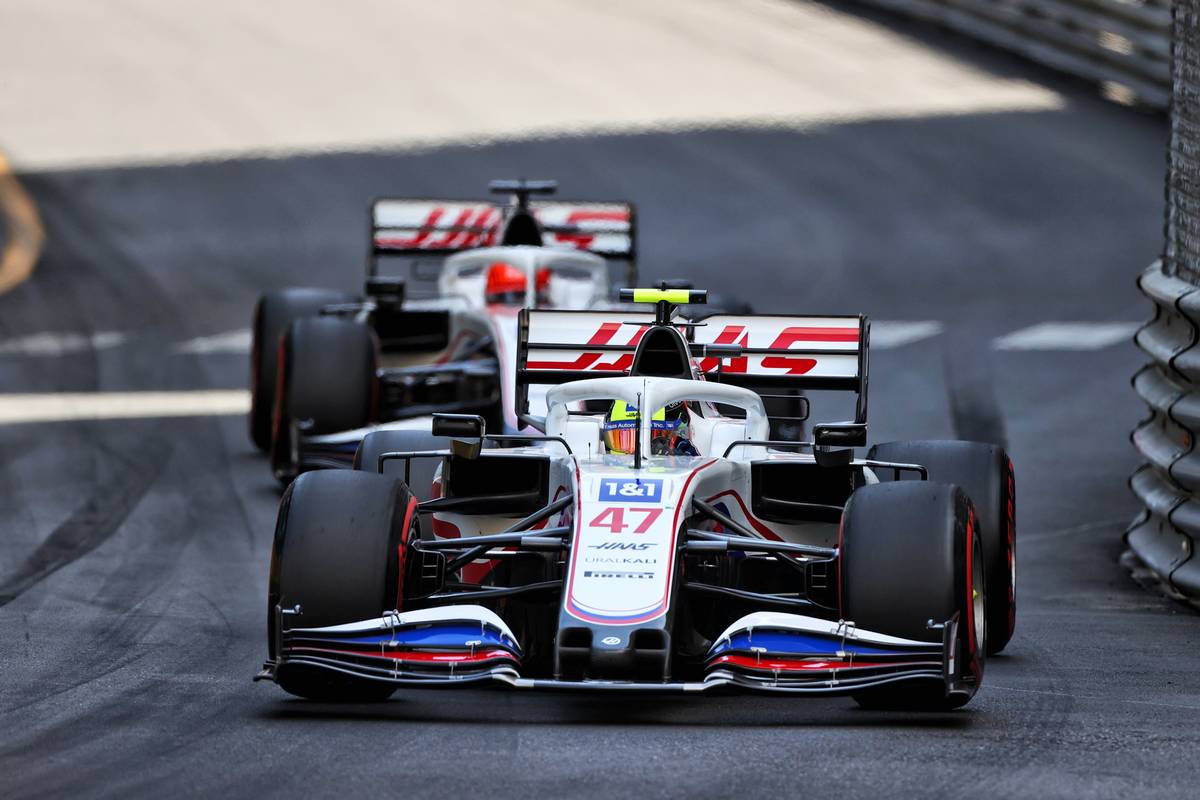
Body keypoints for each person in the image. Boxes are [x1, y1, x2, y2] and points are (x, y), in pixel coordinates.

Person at [602, 400, 698, 456]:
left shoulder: (684, 455)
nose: (635, 454)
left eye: (653, 438)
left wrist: (680, 459)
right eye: (624, 438)